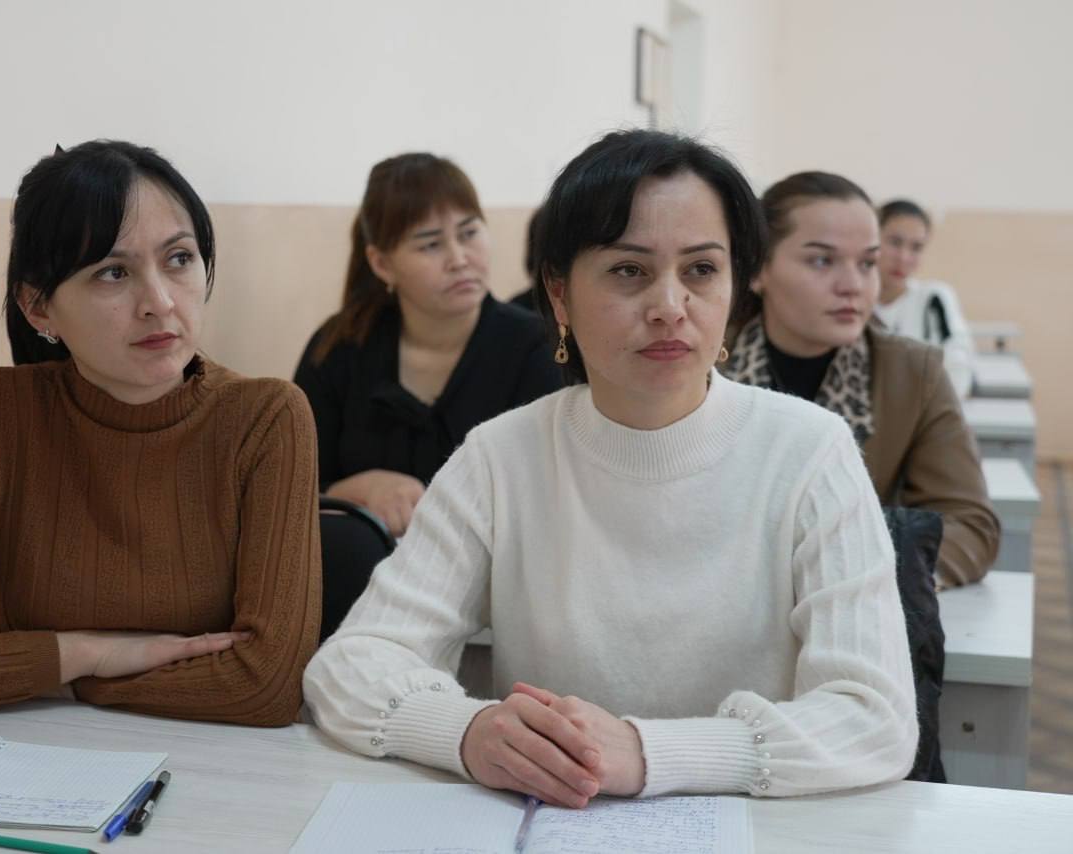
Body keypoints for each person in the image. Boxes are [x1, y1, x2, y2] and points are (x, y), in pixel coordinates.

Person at [304, 130, 917, 806]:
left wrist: (648, 753)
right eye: (628, 271)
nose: (670, 307)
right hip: (551, 821)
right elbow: (350, 667)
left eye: (701, 270)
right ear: (559, 295)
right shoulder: (501, 457)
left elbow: (875, 720)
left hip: (754, 829)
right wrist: (468, 731)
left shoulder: (810, 450)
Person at [0, 141, 321, 724]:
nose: (160, 303)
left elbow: (266, 684)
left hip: (215, 759)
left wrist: (67, 680)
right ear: (39, 307)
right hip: (33, 757)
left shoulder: (266, 417)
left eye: (180, 259)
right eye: (113, 272)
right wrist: (92, 653)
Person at [724, 172, 998, 588]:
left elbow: (971, 528)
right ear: (759, 270)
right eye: (822, 261)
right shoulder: (703, 365)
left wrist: (840, 564)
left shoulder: (914, 373)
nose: (853, 286)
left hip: (845, 603)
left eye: (868, 263)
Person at [294, 153, 561, 538]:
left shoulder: (536, 347)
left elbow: (546, 496)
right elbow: (292, 489)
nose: (459, 259)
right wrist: (351, 491)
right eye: (431, 244)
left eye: (469, 233)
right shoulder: (338, 348)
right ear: (382, 264)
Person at [874, 199, 974, 399]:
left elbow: (959, 370)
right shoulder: (852, 300)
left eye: (916, 247)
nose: (903, 257)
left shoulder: (934, 299)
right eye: (895, 242)